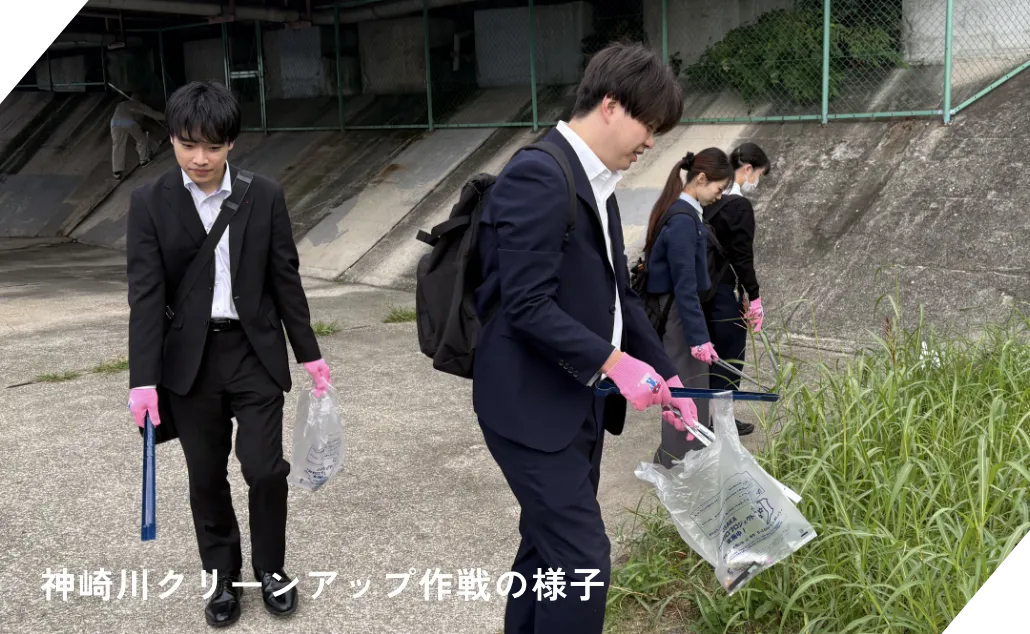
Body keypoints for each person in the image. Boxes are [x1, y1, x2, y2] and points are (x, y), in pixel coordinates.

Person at [472, 42, 700, 634]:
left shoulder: (594, 183)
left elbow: (620, 297)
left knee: (545, 553)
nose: (651, 141)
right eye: (647, 124)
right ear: (609, 104)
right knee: (582, 561)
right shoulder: (538, 174)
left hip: (573, 405)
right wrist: (615, 362)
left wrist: (669, 374)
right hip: (527, 408)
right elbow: (525, 305)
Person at [125, 81, 332, 628]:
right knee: (205, 476)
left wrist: (309, 354)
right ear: (171, 140)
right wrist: (142, 380)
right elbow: (145, 296)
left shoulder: (263, 194)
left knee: (265, 469)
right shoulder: (149, 203)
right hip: (188, 363)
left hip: (253, 351)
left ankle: (270, 570)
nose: (200, 158)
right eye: (188, 144)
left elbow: (285, 278)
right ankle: (222, 577)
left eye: (212, 147)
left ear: (231, 145)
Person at [643, 148, 734, 466]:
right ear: (701, 178)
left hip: (681, 317)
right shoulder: (683, 220)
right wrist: (698, 338)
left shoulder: (680, 212)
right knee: (688, 389)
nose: (718, 196)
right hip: (679, 320)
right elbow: (685, 286)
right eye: (718, 189)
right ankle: (676, 460)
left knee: (688, 388)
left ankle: (681, 457)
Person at [702, 142, 772, 433]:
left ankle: (706, 419)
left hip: (702, 290)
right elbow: (743, 257)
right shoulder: (738, 205)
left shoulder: (705, 200)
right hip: (726, 293)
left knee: (707, 360)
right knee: (729, 357)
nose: (756, 181)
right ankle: (722, 422)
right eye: (758, 175)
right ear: (747, 169)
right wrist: (754, 297)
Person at [110, 91, 165, 180]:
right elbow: (153, 113)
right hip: (127, 121)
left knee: (117, 145)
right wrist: (166, 117)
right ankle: (144, 160)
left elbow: (133, 117)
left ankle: (117, 171)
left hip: (114, 123)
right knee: (141, 139)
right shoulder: (137, 104)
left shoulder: (122, 104)